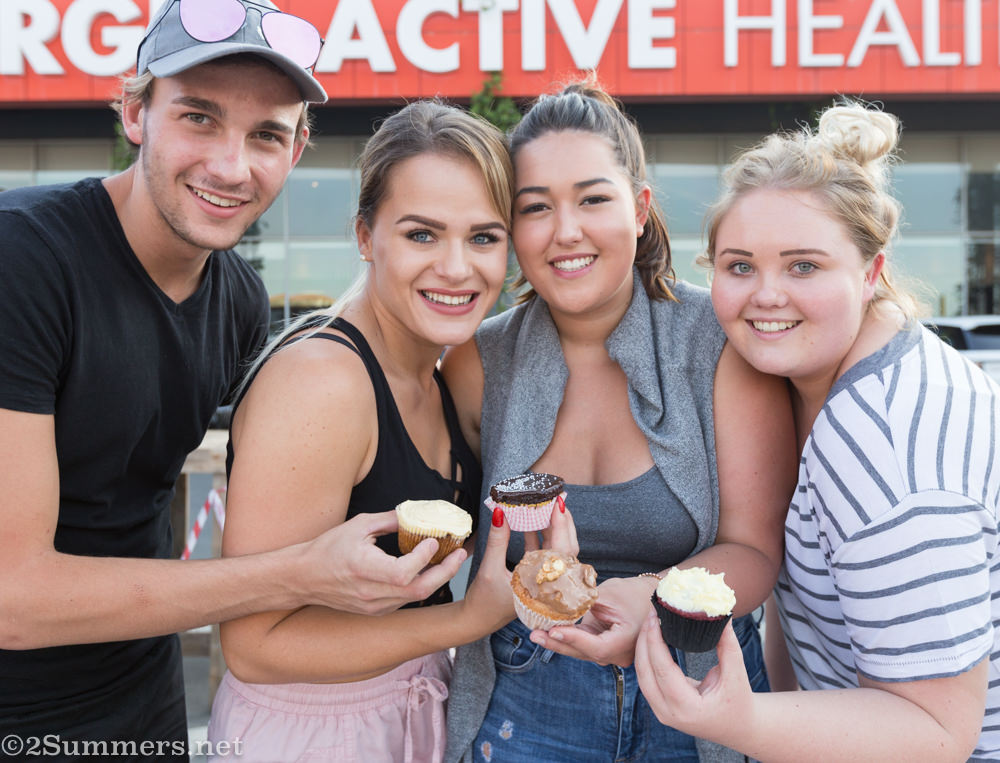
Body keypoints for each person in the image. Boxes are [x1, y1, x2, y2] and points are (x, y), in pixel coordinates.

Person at [0, 2, 473, 758]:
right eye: (198, 118)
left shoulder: (240, 299)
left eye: (265, 135)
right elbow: (11, 598)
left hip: (146, 697)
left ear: (298, 147)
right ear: (134, 112)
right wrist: (297, 574)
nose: (231, 165)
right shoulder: (24, 258)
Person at [205, 99, 571, 762]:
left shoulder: (447, 371)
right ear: (367, 237)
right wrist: (466, 619)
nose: (458, 268)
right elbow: (254, 645)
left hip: (410, 708)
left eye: (484, 237)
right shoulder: (324, 381)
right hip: (309, 733)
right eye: (422, 235)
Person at [634, 101, 1000, 761]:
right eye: (739, 265)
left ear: (871, 273)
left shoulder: (884, 438)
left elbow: (940, 730)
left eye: (804, 266)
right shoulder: (816, 377)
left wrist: (741, 720)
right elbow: (803, 608)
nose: (766, 294)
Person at [442, 81, 797, 762]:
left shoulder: (717, 342)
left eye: (593, 198)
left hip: (698, 696)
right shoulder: (477, 359)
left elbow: (754, 551)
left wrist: (652, 600)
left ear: (639, 209)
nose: (565, 230)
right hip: (525, 697)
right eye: (535, 207)